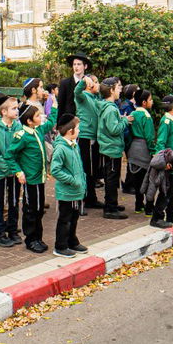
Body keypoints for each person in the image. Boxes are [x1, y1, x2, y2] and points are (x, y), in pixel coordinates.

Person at [9, 103, 51, 253]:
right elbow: (10, 155)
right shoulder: (22, 135)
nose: (41, 117)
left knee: (39, 209)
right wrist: (18, 172)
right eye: (38, 116)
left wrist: (56, 105)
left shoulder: (37, 130)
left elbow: (51, 122)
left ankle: (38, 237)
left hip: (40, 178)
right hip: (30, 179)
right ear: (29, 121)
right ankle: (30, 240)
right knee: (31, 209)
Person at [0, 94, 22, 247]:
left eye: (17, 108)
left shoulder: (18, 127)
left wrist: (16, 169)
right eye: (13, 109)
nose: (17, 111)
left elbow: (20, 149)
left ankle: (12, 230)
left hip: (15, 174)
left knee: (14, 202)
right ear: (4, 112)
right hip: (1, 173)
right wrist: (7, 168)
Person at [49, 117, 88, 257]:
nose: (79, 131)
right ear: (70, 131)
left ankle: (72, 241)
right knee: (65, 219)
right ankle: (60, 246)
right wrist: (72, 180)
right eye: (78, 128)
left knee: (74, 217)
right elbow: (55, 170)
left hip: (76, 191)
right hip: (67, 192)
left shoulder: (73, 144)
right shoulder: (61, 148)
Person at [94, 78, 130, 219]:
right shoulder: (109, 108)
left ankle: (112, 203)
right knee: (111, 179)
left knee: (112, 178)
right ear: (111, 90)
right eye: (118, 87)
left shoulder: (108, 106)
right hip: (111, 148)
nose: (120, 89)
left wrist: (120, 119)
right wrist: (125, 120)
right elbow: (114, 129)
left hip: (109, 147)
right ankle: (110, 209)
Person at [149, 97, 173, 228]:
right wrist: (163, 162)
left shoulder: (171, 120)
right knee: (166, 190)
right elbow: (160, 142)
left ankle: (171, 214)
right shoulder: (166, 122)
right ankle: (157, 217)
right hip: (169, 161)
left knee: (171, 189)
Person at [73, 74, 103, 211]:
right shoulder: (83, 97)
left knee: (92, 171)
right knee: (84, 170)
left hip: (94, 137)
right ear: (90, 85)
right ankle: (81, 201)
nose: (99, 85)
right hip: (85, 137)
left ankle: (91, 198)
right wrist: (83, 80)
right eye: (96, 82)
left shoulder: (95, 98)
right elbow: (76, 91)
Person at [125, 88, 155, 213]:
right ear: (144, 102)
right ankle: (149, 208)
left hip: (133, 148)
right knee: (148, 179)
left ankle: (138, 205)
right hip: (144, 149)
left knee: (137, 179)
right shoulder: (146, 116)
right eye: (150, 99)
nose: (152, 101)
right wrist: (153, 151)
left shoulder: (133, 114)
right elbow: (149, 137)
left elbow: (128, 134)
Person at [55, 53, 90, 129]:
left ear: (85, 66)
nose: (76, 67)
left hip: (85, 123)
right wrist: (59, 125)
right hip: (69, 123)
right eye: (74, 64)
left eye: (79, 64)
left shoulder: (89, 83)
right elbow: (61, 105)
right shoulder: (65, 83)